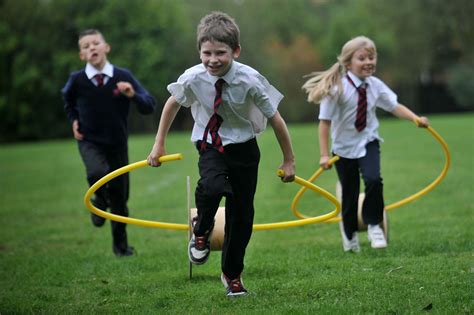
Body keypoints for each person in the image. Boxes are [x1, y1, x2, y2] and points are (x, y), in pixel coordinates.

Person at [147, 12, 295, 297]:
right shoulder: (193, 77)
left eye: (220, 53)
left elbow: (276, 119)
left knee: (242, 216)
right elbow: (171, 105)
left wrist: (289, 159)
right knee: (213, 186)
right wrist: (159, 143)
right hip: (210, 143)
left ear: (235, 51)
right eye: (206, 53)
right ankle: (201, 232)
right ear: (199, 51)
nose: (212, 60)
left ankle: (231, 274)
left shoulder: (251, 80)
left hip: (244, 148)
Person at [302, 36, 429, 253]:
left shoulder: (375, 85)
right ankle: (349, 233)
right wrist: (324, 155)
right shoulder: (337, 89)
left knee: (373, 180)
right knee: (350, 194)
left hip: (368, 141)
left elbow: (394, 106)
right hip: (342, 148)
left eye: (372, 57)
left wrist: (415, 118)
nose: (369, 61)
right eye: (362, 58)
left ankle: (373, 225)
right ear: (348, 63)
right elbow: (324, 124)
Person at [62, 29, 156, 257]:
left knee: (120, 198)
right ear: (82, 55)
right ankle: (99, 200)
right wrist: (74, 119)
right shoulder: (77, 80)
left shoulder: (123, 76)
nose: (92, 48)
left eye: (96, 43)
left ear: (106, 47)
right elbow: (67, 100)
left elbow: (149, 105)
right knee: (97, 171)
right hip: (89, 141)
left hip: (117, 144)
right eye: (86, 46)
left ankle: (121, 248)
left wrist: (132, 94)